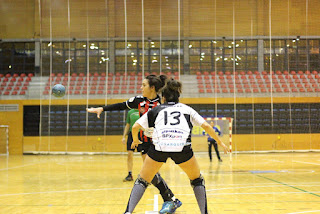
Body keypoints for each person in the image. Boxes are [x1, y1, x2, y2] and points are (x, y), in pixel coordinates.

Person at [124, 78, 229, 214]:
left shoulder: (156, 110)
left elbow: (136, 126)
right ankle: (204, 212)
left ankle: (128, 211)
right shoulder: (187, 109)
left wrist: (136, 140)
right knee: (197, 180)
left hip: (159, 147)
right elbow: (207, 126)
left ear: (163, 98)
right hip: (182, 148)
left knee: (142, 180)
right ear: (178, 97)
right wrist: (220, 142)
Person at [86, 74, 182, 213]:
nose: (141, 87)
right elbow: (120, 106)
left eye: (144, 85)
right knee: (151, 173)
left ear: (152, 87)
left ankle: (164, 200)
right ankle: (171, 199)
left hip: (158, 143)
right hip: (143, 141)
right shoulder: (139, 101)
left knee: (148, 174)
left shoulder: (162, 103)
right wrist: (103, 109)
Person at [122, 105, 145, 182]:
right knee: (129, 154)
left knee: (144, 155)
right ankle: (129, 174)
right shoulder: (130, 112)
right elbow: (128, 125)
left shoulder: (143, 111)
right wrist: (124, 136)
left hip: (141, 134)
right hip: (132, 134)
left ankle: (147, 174)